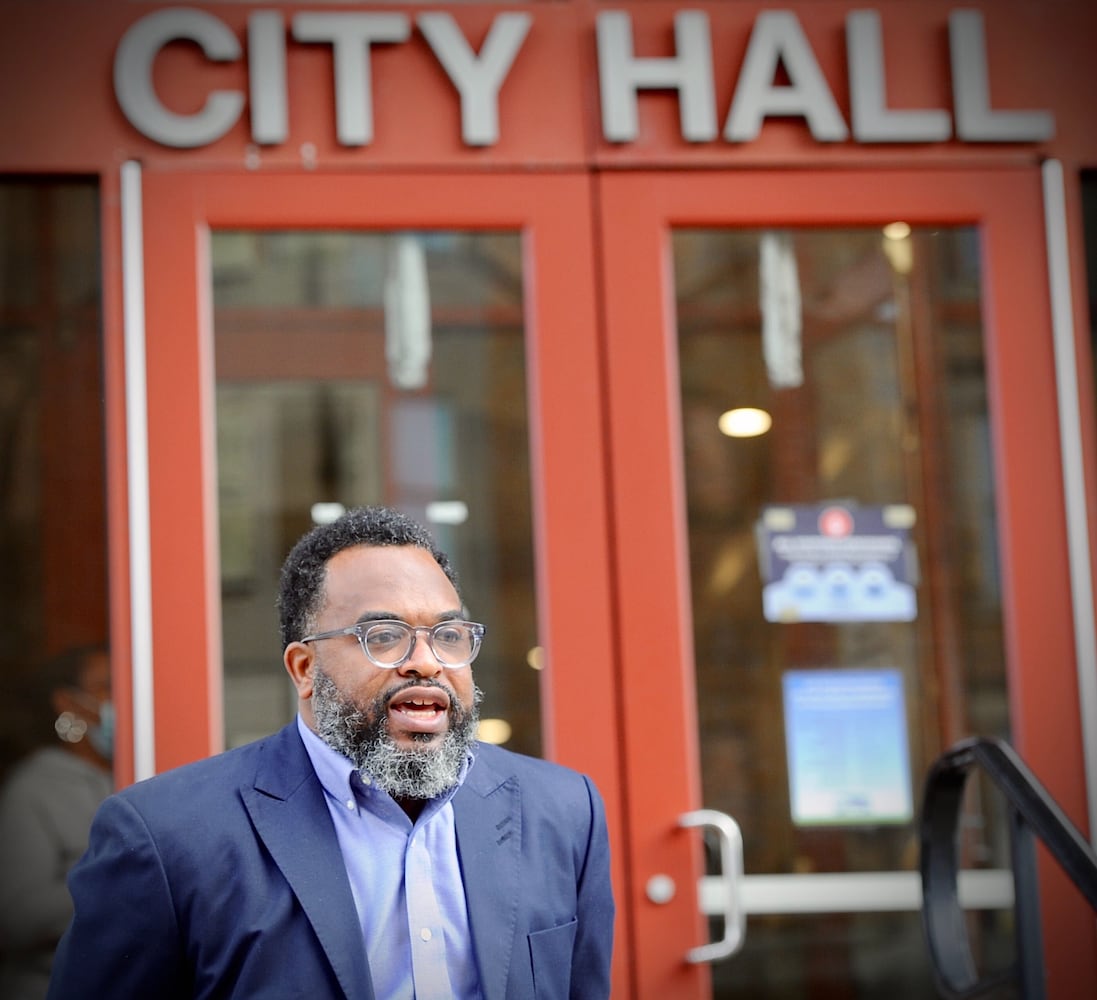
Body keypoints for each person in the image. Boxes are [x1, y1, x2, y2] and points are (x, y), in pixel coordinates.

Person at [48, 505, 614, 999]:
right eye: (384, 636)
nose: (427, 661)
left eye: (448, 635)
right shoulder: (167, 837)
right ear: (304, 669)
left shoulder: (564, 811)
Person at [0, 645, 114, 1000]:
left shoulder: (134, 771)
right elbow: (15, 918)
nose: (121, 700)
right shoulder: (32, 788)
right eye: (107, 687)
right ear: (68, 703)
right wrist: (114, 875)